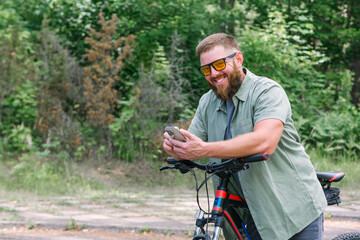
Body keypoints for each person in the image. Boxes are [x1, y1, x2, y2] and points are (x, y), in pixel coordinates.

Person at [163, 33, 327, 240]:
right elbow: (190, 146)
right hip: (245, 212)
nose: (213, 73)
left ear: (238, 59)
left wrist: (204, 149)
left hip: (293, 208)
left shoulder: (267, 91)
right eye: (206, 69)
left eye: (219, 64)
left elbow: (264, 142)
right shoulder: (207, 102)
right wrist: (176, 148)